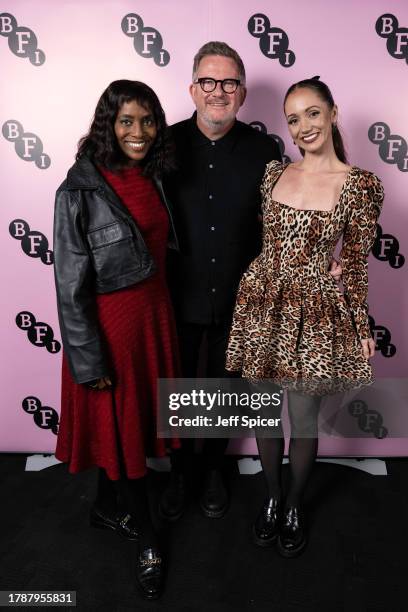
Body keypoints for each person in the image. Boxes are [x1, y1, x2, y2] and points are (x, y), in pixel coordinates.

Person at [160, 44, 340, 522]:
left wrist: (324, 263)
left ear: (241, 93)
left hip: (246, 301)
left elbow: (285, 221)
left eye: (229, 83)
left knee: (230, 393)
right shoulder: (165, 145)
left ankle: (216, 469)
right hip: (177, 295)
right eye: (208, 82)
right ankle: (181, 473)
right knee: (178, 388)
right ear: (193, 88)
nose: (218, 92)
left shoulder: (266, 151)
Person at [226, 76, 384, 556]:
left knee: (303, 418)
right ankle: (272, 499)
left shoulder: (360, 186)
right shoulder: (274, 172)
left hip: (314, 313)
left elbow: (354, 264)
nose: (303, 126)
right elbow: (270, 239)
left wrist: (361, 325)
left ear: (333, 113)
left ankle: (294, 503)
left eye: (312, 113)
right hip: (260, 302)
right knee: (264, 416)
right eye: (293, 118)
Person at [53, 80, 179, 599]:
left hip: (152, 318)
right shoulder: (78, 190)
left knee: (124, 429)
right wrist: (88, 358)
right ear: (107, 123)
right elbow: (68, 284)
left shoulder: (154, 174)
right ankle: (147, 537)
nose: (139, 132)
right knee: (121, 427)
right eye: (126, 121)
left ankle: (106, 509)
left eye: (147, 120)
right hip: (109, 331)